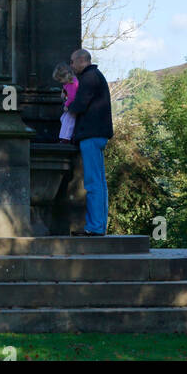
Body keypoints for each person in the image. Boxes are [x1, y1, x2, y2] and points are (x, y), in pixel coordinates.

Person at [67, 48, 113, 235]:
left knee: (93, 183)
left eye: (72, 62)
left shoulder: (89, 77)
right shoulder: (96, 76)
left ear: (81, 60)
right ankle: (99, 225)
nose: (70, 66)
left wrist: (67, 103)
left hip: (91, 135)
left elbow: (78, 105)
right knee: (100, 183)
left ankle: (94, 227)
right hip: (98, 135)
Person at [52, 62, 79, 142]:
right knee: (63, 118)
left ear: (65, 76)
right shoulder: (69, 83)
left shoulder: (71, 83)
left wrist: (66, 105)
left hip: (73, 106)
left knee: (68, 119)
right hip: (73, 105)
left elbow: (71, 97)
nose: (60, 82)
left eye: (60, 79)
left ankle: (65, 138)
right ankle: (67, 136)